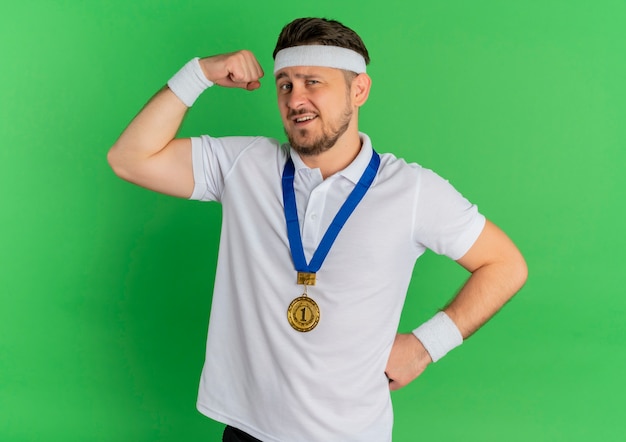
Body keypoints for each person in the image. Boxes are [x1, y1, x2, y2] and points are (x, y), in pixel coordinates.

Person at [108, 17, 527, 442]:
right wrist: (199, 73)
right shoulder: (244, 165)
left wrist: (425, 346)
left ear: (358, 90)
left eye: (313, 82)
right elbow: (129, 158)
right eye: (285, 84)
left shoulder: (412, 190)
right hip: (247, 430)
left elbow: (505, 264)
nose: (296, 99)